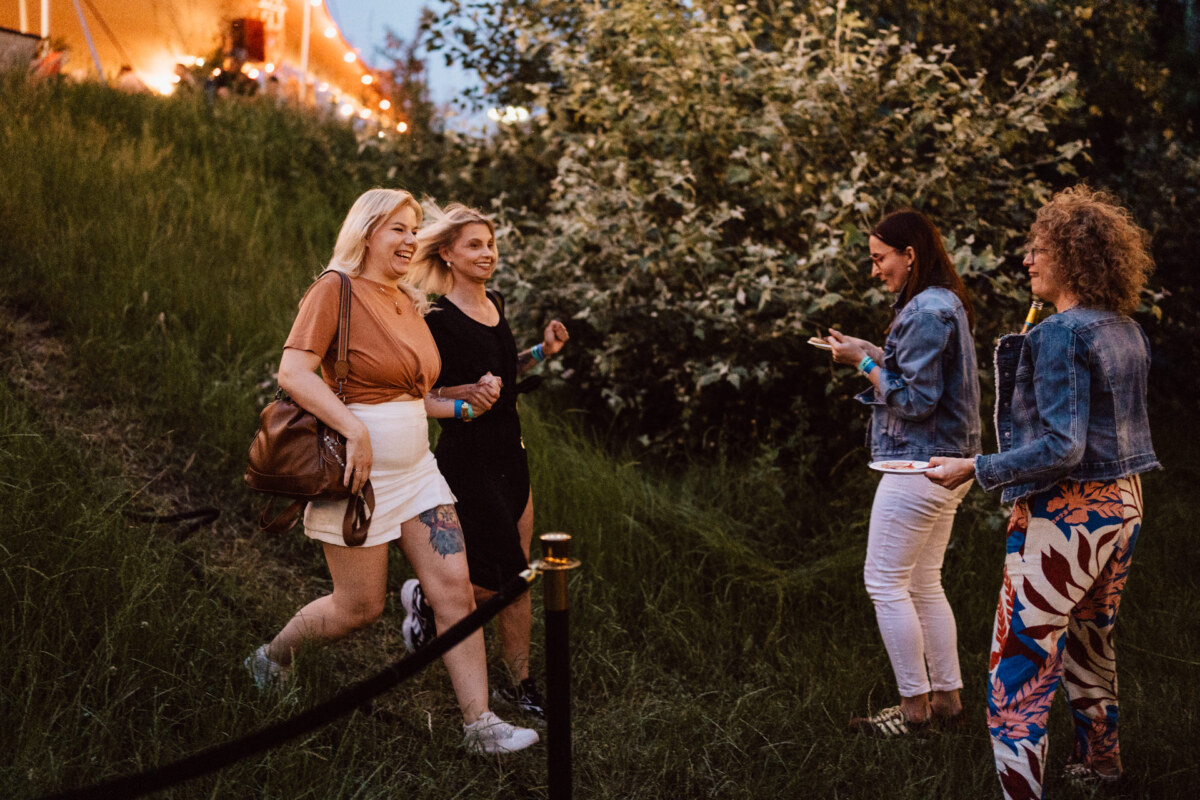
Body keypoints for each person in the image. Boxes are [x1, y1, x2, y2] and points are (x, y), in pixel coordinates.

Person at [244, 188, 538, 755]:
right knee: (358, 608)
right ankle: (270, 658)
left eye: (413, 230)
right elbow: (294, 372)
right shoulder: (337, 289)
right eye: (397, 229)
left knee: (455, 591)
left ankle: (480, 724)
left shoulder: (407, 301)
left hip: (419, 473)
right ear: (367, 232)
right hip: (358, 478)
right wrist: (353, 430)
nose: (409, 240)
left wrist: (462, 398)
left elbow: (415, 396)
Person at [927, 186, 1158, 798]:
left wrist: (975, 467)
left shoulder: (1062, 334)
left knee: (1019, 665)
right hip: (1125, 506)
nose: (1028, 260)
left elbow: (1062, 447)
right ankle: (1100, 767)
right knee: (1090, 640)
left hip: (1067, 517)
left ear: (1075, 257)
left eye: (1040, 249)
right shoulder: (1124, 329)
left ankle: (1019, 792)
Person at [402, 203, 569, 721]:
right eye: (473, 245)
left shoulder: (494, 303)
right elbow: (419, 391)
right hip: (466, 460)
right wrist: (467, 392)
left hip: (511, 455)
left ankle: (519, 685)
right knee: (487, 581)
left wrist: (541, 352)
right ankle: (428, 605)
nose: (487, 253)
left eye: (490, 244)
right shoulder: (435, 319)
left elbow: (503, 373)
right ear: (447, 253)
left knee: (517, 576)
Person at [825, 208, 981, 737]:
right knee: (923, 584)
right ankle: (948, 704)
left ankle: (914, 714)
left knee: (885, 582)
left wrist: (863, 366)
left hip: (918, 466)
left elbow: (914, 399)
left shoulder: (925, 310)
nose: (874, 271)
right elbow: (915, 373)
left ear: (909, 254)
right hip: (945, 467)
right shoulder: (942, 303)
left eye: (879, 259)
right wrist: (867, 352)